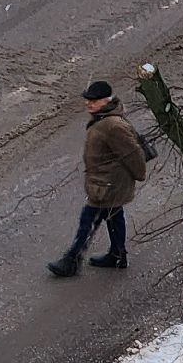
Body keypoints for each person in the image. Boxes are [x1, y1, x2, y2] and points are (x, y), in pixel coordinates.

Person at [48, 81, 147, 277]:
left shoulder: (112, 125)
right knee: (114, 217)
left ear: (106, 101)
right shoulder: (105, 119)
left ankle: (72, 260)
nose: (88, 104)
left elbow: (133, 154)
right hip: (107, 182)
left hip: (108, 185)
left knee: (89, 219)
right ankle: (118, 255)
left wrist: (139, 174)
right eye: (88, 100)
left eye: (93, 101)